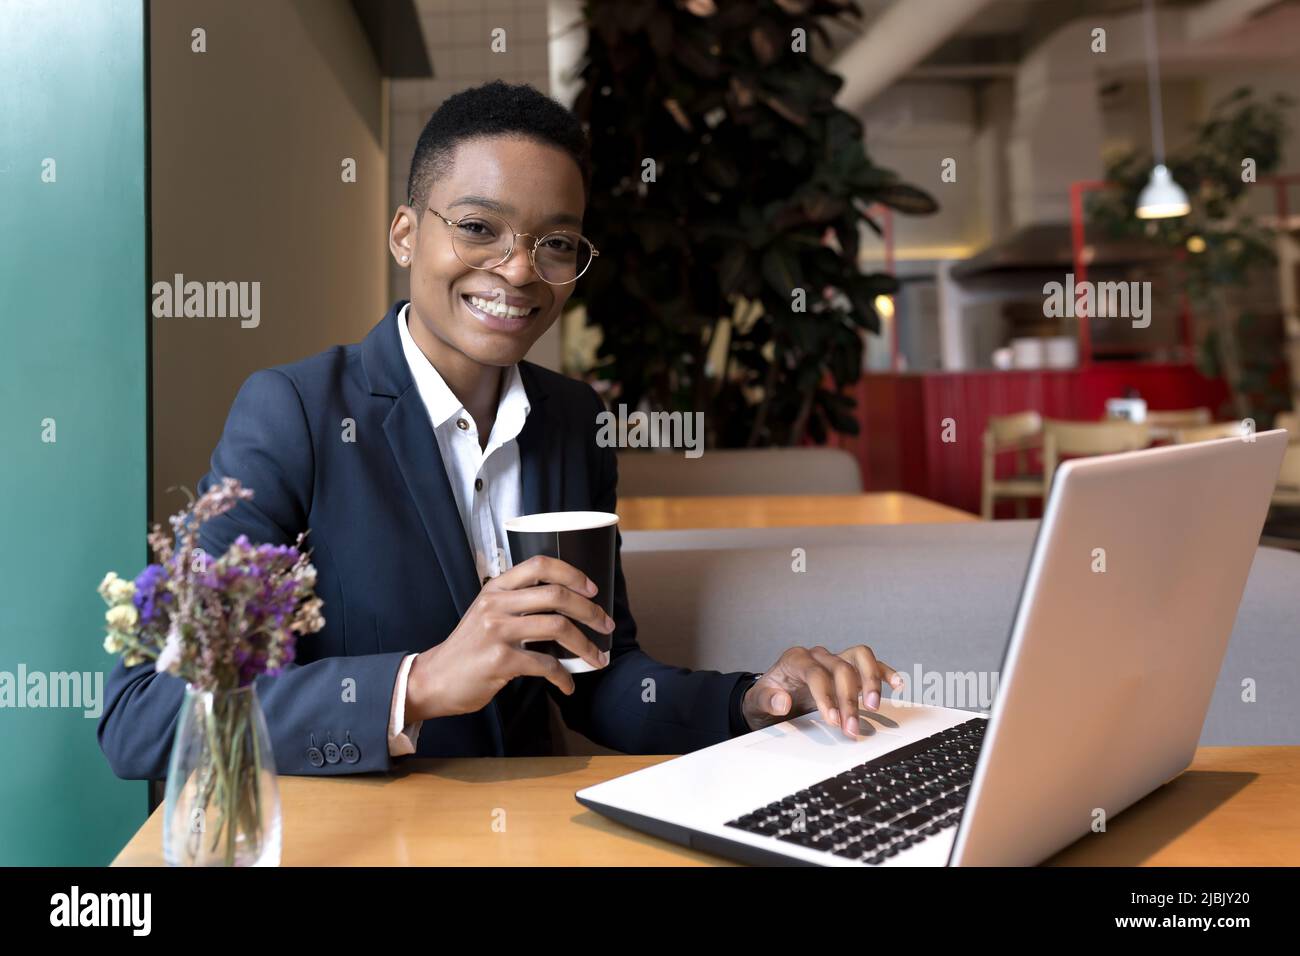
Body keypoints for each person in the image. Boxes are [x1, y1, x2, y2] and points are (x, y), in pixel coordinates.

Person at [98, 80, 901, 779]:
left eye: (556, 243)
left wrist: (756, 703)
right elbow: (144, 715)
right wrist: (417, 684)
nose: (520, 270)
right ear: (407, 233)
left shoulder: (574, 420)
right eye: (479, 228)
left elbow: (595, 675)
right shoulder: (298, 414)